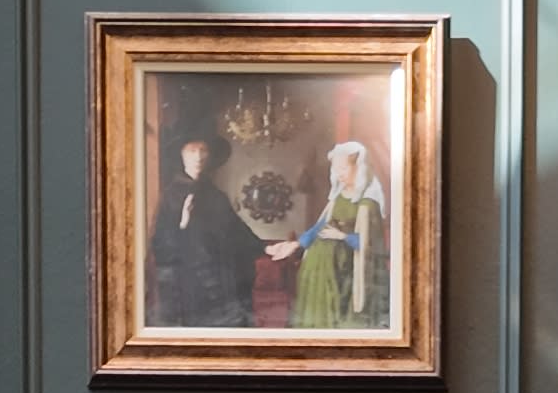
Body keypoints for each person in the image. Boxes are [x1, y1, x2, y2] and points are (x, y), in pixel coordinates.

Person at [268, 141, 392, 330]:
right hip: (319, 270)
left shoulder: (367, 204)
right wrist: (296, 245)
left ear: (358, 168)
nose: (339, 174)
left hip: (344, 274)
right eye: (336, 169)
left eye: (343, 168)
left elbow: (371, 245)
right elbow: (320, 226)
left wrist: (343, 237)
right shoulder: (338, 199)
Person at [147, 134, 258, 329]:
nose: (198, 157)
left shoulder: (217, 195)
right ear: (182, 156)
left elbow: (238, 232)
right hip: (190, 282)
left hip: (223, 279)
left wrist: (267, 248)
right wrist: (183, 223)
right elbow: (160, 244)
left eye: (203, 150)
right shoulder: (171, 196)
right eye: (192, 151)